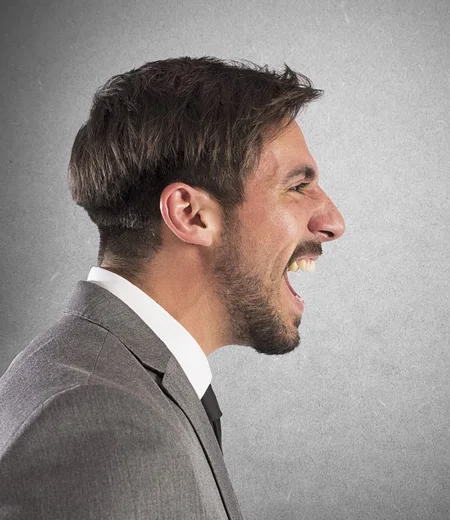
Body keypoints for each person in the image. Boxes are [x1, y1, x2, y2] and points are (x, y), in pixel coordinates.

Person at [0, 57, 345, 519]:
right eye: (299, 186)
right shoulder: (108, 432)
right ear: (190, 214)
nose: (333, 222)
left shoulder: (94, 379)